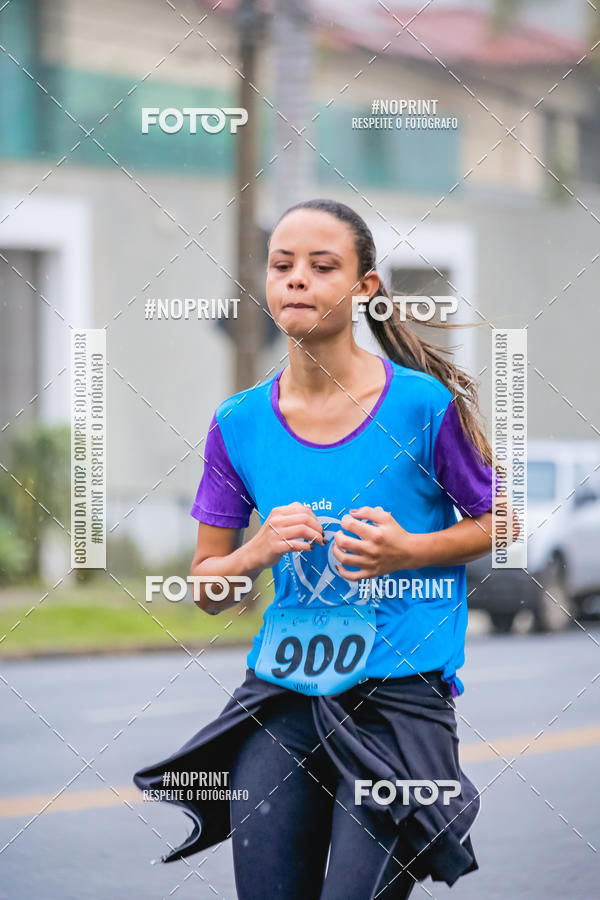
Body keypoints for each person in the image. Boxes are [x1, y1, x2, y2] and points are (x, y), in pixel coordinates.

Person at [134, 198, 516, 898]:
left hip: (396, 703)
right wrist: (253, 553)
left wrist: (408, 550)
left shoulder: (422, 406)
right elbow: (207, 590)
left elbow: (502, 522)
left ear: (366, 286)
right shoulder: (239, 423)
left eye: (322, 265)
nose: (297, 279)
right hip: (284, 698)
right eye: (282, 266)